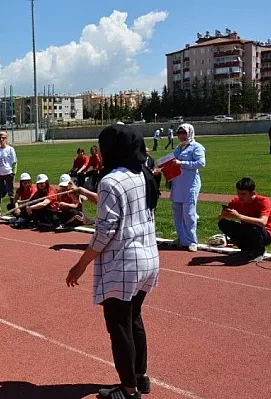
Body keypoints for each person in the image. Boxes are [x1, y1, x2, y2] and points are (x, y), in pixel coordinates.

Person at [66, 124, 159, 399]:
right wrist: (84, 193)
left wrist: (80, 265)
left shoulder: (110, 181)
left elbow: (105, 231)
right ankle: (140, 378)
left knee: (119, 324)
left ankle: (129, 389)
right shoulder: (142, 174)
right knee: (134, 318)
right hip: (148, 258)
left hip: (124, 261)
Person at [218, 177, 271, 263]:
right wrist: (224, 214)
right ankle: (246, 250)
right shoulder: (236, 201)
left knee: (253, 228)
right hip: (248, 229)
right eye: (238, 193)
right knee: (223, 224)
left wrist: (239, 216)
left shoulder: (263, 201)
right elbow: (220, 219)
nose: (240, 196)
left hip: (265, 233)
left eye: (243, 194)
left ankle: (259, 251)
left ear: (253, 193)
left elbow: (262, 222)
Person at [169, 123, 206, 252]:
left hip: (190, 184)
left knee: (189, 213)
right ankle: (181, 238)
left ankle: (191, 240)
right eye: (179, 133)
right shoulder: (179, 148)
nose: (181, 136)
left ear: (190, 133)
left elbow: (201, 163)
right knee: (177, 212)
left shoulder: (196, 147)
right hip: (177, 183)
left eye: (183, 133)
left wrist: (182, 163)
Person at [0, 131, 18, 215]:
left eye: (3, 138)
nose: (1, 139)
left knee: (11, 193)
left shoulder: (10, 149)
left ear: (6, 138)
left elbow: (15, 162)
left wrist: (13, 173)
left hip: (8, 173)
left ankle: (13, 210)